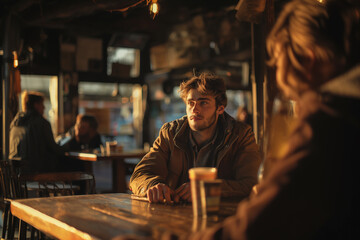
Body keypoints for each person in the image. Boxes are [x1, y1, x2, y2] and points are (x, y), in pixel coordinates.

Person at [190, 0, 360, 239]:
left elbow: (257, 228)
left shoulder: (327, 122)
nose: (279, 78)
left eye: (278, 62)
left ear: (308, 58)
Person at [130, 72, 261, 203]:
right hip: (174, 216)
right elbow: (139, 175)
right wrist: (153, 185)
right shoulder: (170, 133)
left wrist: (207, 188)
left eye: (203, 103)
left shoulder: (241, 135)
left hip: (221, 216)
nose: (194, 109)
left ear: (220, 109)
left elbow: (251, 184)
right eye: (190, 102)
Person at [9, 91, 67, 174]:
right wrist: (66, 148)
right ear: (36, 105)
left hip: (16, 172)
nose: (44, 108)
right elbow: (53, 148)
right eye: (42, 104)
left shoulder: (15, 122)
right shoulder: (42, 123)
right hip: (36, 172)